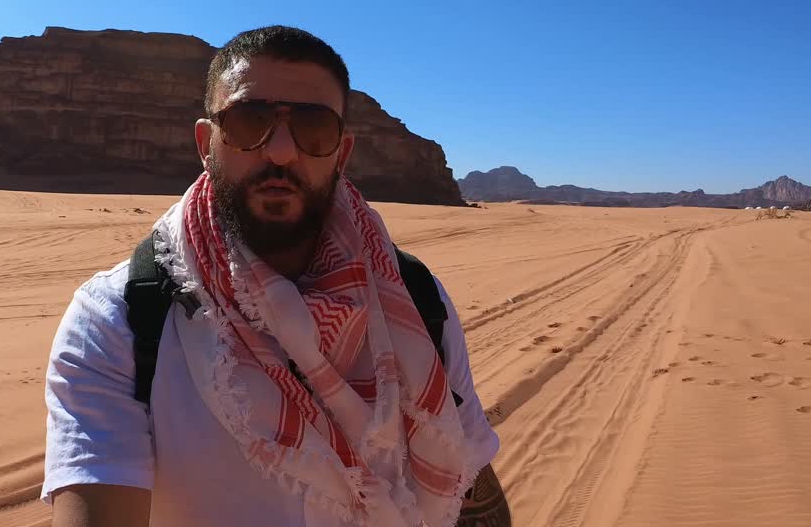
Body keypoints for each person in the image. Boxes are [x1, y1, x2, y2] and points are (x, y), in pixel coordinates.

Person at [42, 26, 510, 526]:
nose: (282, 151)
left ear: (342, 154)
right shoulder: (119, 319)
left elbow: (469, 474)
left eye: (313, 130)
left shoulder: (411, 296)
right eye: (249, 121)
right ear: (206, 143)